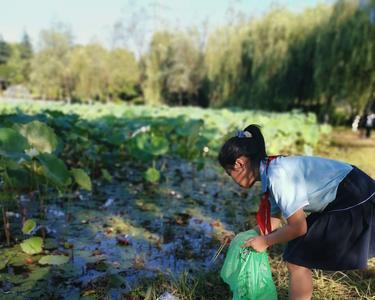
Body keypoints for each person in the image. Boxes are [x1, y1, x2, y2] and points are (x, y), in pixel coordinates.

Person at [217, 124, 375, 300]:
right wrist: (246, 238)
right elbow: (273, 220)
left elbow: (299, 227)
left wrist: (265, 242)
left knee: (297, 258)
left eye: (228, 172)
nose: (230, 178)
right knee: (296, 255)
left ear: (239, 164)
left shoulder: (278, 176)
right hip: (347, 191)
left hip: (354, 196)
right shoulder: (271, 170)